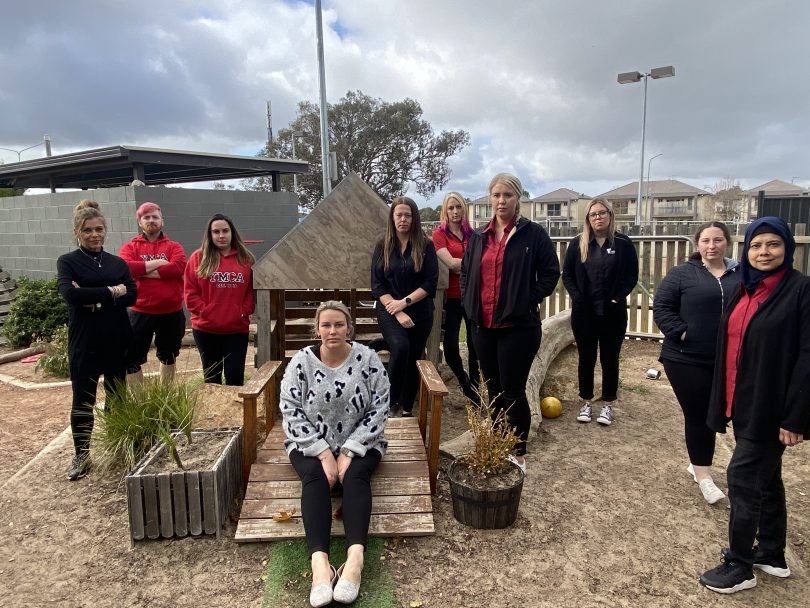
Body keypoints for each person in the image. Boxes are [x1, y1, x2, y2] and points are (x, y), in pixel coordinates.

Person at [699, 217, 810, 594]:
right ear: (747, 250)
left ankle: (740, 564)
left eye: (773, 245)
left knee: (743, 479)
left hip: (771, 407)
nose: (764, 252)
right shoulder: (744, 290)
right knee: (767, 478)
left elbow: (808, 358)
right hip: (741, 400)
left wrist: (795, 416)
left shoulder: (800, 291)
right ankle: (773, 553)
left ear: (787, 249)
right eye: (757, 245)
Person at [280, 301, 390, 607]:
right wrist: (324, 452)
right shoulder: (300, 363)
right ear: (317, 329)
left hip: (363, 441)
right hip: (309, 443)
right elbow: (290, 410)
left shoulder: (368, 360)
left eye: (339, 324)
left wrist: (351, 449)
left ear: (349, 328)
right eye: (326, 325)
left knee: (355, 476)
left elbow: (380, 407)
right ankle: (320, 566)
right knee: (314, 477)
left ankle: (354, 561)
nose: (332, 331)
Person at [461, 173, 560, 473]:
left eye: (507, 195)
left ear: (518, 198)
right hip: (483, 327)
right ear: (490, 199)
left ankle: (518, 454)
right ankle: (498, 440)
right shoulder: (479, 236)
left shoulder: (533, 235)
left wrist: (526, 299)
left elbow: (550, 273)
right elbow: (466, 273)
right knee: (493, 390)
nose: (501, 201)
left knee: (513, 390)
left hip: (518, 328)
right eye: (496, 195)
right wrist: (469, 303)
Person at [653, 221, 738, 505]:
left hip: (728, 359)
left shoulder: (741, 275)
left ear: (727, 242)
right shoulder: (682, 274)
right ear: (697, 244)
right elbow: (662, 307)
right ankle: (703, 475)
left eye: (717, 240)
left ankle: (698, 461)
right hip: (685, 358)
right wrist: (681, 331)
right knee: (699, 414)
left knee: (722, 413)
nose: (711, 246)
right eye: (705, 241)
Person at [56, 200, 137, 480]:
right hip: (85, 342)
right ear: (78, 232)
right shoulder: (68, 262)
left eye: (99, 229)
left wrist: (95, 296)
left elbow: (132, 295)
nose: (94, 234)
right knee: (83, 401)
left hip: (116, 338)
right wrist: (113, 291)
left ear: (106, 231)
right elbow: (71, 295)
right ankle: (81, 455)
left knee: (117, 397)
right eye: (88, 230)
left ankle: (118, 447)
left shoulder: (117, 262)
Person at [562, 198, 638, 427]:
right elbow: (567, 275)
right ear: (588, 218)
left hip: (612, 313)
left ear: (610, 215)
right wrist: (577, 297)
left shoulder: (623, 243)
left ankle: (607, 405)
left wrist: (616, 298)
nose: (598, 217)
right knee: (586, 358)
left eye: (602, 213)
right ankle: (586, 402)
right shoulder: (578, 244)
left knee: (609, 359)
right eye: (593, 214)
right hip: (584, 313)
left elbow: (631, 276)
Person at [371, 196, 438, 417]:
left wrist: (405, 302)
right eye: (398, 215)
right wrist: (397, 309)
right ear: (392, 217)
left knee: (413, 356)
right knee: (400, 347)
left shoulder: (426, 245)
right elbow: (377, 285)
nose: (403, 219)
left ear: (414, 218)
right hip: (389, 311)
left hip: (420, 312)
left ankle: (408, 406)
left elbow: (430, 283)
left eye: (407, 215)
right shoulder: (383, 245)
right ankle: (390, 403)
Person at [119, 202, 187, 385]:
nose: (151, 220)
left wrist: (143, 271)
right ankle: (139, 403)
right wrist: (160, 262)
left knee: (169, 355)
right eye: (146, 217)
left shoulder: (174, 246)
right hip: (139, 310)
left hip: (170, 312)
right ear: (140, 222)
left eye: (155, 217)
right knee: (131, 357)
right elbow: (127, 269)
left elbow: (179, 268)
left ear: (162, 221)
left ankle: (165, 396)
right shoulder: (130, 247)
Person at [184, 213, 255, 386]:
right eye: (216, 232)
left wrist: (243, 311)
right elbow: (190, 292)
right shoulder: (198, 258)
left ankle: (235, 412)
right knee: (212, 378)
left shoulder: (245, 258)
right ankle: (214, 413)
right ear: (210, 235)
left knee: (235, 376)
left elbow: (251, 292)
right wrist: (205, 311)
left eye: (225, 231)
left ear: (232, 233)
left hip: (236, 329)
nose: (221, 235)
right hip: (206, 329)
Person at [432, 192, 479, 404]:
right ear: (445, 211)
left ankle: (476, 391)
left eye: (458, 207)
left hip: (473, 296)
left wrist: (466, 266)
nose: (455, 211)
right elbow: (450, 263)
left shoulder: (473, 235)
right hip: (451, 298)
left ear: (464, 209)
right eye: (451, 208)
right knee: (450, 346)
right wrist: (471, 265)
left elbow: (480, 263)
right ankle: (464, 381)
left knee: (475, 344)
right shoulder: (439, 235)